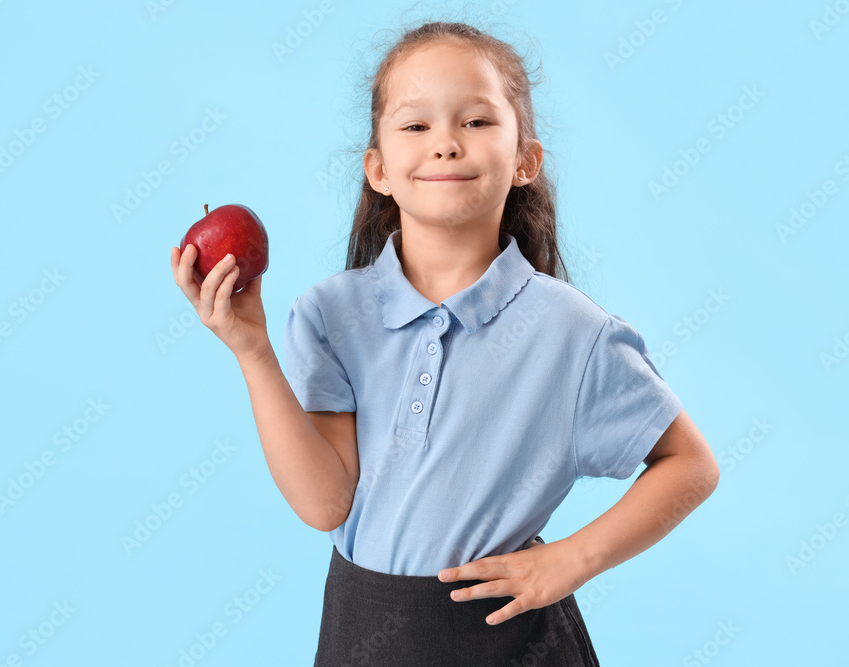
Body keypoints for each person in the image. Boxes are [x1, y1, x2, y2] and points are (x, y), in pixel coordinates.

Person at [170, 19, 719, 667]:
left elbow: (692, 464)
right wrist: (252, 350)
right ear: (377, 168)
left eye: (478, 122)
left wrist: (571, 559)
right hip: (362, 632)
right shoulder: (331, 312)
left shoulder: (574, 331)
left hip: (508, 640)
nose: (447, 144)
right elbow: (324, 503)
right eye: (415, 126)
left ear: (526, 160)